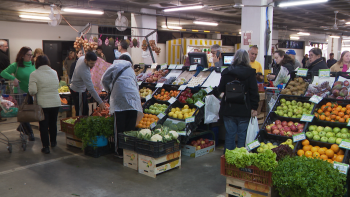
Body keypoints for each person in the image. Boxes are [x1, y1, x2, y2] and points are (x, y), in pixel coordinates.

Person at [218, 49, 259, 151]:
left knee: (230, 135)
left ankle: (228, 159)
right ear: (247, 59)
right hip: (244, 110)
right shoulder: (250, 73)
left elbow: (220, 89)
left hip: (228, 109)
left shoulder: (227, 72)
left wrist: (224, 95)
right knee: (242, 135)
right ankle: (240, 160)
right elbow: (254, 92)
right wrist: (254, 107)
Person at [101, 59, 142, 158]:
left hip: (119, 97)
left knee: (119, 124)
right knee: (130, 125)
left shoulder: (114, 66)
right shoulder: (131, 70)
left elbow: (104, 80)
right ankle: (128, 150)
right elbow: (136, 85)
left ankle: (119, 151)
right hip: (133, 98)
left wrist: (109, 89)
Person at [0, 47, 36, 141]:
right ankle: (30, 132)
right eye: (28, 55)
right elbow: (3, 73)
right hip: (20, 93)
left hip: (31, 93)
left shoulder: (33, 64)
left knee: (29, 113)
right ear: (22, 55)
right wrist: (13, 79)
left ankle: (21, 127)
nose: (30, 57)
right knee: (24, 113)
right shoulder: (16, 65)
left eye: (31, 55)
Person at [28, 55, 61, 154]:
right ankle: (53, 142)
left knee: (43, 125)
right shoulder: (54, 72)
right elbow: (56, 85)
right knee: (53, 123)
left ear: (36, 63)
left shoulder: (34, 74)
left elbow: (32, 91)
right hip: (55, 102)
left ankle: (46, 147)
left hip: (43, 104)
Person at [70, 51, 105, 116]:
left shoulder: (82, 58)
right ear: (86, 60)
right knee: (82, 113)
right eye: (91, 63)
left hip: (79, 88)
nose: (93, 65)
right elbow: (91, 89)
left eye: (94, 63)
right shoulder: (84, 71)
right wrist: (100, 102)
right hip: (78, 91)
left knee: (85, 109)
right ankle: (80, 125)